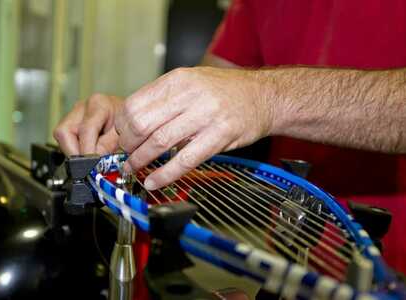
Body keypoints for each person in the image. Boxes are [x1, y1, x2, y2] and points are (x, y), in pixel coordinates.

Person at [54, 0, 406, 272]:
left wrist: (266, 97)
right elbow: (210, 97)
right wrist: (134, 119)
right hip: (286, 262)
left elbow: (250, 96)